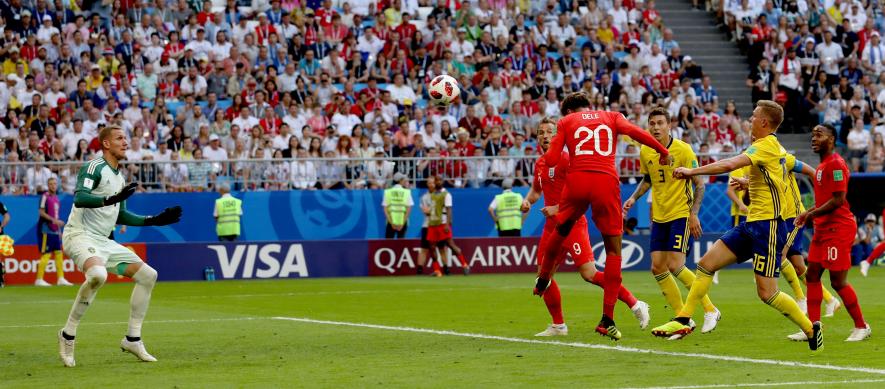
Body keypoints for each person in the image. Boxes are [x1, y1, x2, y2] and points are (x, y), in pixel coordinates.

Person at [650, 101, 817, 351]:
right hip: (752, 225)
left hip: (768, 228)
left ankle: (811, 329)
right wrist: (748, 183)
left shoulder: (765, 145)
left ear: (764, 122)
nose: (750, 120)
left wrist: (691, 172)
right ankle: (684, 318)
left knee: (767, 293)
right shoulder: (775, 148)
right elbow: (796, 171)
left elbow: (728, 164)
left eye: (753, 116)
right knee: (706, 264)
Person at [535, 91, 670, 340]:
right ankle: (607, 318)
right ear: (590, 105)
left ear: (567, 112)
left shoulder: (566, 122)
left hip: (577, 182)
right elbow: (636, 133)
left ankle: (543, 279)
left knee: (561, 228)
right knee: (613, 252)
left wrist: (556, 149)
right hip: (605, 182)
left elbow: (552, 158)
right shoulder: (611, 116)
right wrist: (662, 150)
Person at [58, 126, 183, 367]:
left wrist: (152, 220)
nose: (125, 143)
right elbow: (80, 197)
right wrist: (109, 199)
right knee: (97, 274)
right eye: (120, 138)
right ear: (106, 144)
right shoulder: (94, 167)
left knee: (148, 275)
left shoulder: (119, 177)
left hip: (103, 241)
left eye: (126, 138)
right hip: (79, 234)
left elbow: (120, 215)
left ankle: (133, 339)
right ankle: (68, 334)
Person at [523, 118, 649, 337]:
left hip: (572, 223)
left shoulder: (567, 160)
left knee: (589, 274)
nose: (545, 136)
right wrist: (527, 201)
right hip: (550, 228)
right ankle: (558, 325)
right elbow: (536, 191)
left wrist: (557, 208)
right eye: (541, 132)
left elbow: (579, 195)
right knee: (543, 276)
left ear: (557, 137)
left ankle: (635, 303)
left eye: (550, 132)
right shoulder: (541, 164)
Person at [623, 107, 720, 336]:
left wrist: (694, 213)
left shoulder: (683, 150)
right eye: (652, 123)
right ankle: (682, 318)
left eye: (660, 123)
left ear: (669, 125)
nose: (655, 127)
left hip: (680, 214)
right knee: (657, 267)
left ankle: (710, 309)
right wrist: (633, 197)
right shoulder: (646, 150)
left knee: (676, 264)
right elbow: (648, 179)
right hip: (660, 216)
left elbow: (700, 184)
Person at [790, 124, 870, 343]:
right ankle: (813, 328)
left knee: (837, 281)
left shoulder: (835, 164)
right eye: (813, 134)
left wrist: (810, 213)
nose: (814, 138)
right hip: (823, 227)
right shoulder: (823, 165)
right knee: (812, 275)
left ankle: (861, 326)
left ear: (832, 139)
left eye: (819, 134)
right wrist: (812, 215)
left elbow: (839, 199)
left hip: (838, 228)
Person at [424, 175, 471, 276]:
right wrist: (428, 213)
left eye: (440, 180)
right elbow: (433, 208)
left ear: (443, 181)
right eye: (437, 180)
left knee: (451, 245)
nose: (438, 182)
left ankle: (465, 265)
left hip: (442, 223)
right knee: (431, 247)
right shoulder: (432, 194)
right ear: (435, 182)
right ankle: (437, 271)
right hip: (432, 223)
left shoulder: (446, 194)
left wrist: (447, 224)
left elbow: (449, 210)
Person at [35, 177, 72, 286]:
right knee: (46, 254)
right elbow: (41, 212)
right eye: (51, 184)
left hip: (55, 230)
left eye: (55, 183)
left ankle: (61, 278)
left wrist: (59, 231)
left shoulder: (56, 198)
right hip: (46, 228)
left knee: (59, 253)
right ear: (48, 185)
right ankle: (39, 279)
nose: (53, 185)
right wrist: (54, 221)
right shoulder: (44, 197)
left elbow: (55, 215)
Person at [382, 173, 413, 239]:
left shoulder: (387, 192)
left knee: (388, 245)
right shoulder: (407, 192)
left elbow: (385, 209)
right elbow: (408, 209)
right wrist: (403, 223)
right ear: (400, 180)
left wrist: (391, 223)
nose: (405, 180)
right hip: (403, 222)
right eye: (403, 179)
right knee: (401, 246)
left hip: (390, 222)